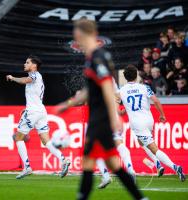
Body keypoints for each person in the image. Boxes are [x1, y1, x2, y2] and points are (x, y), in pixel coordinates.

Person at [56, 19, 146, 200]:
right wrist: (69, 104)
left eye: (75, 31)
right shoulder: (94, 57)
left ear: (81, 33)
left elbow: (107, 86)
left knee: (88, 162)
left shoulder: (97, 57)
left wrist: (114, 117)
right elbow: (91, 89)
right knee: (113, 163)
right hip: (99, 118)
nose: (75, 35)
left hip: (100, 120)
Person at [6, 55, 71, 179]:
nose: (25, 64)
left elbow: (26, 80)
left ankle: (27, 167)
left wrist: (13, 77)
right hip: (40, 111)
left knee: (17, 137)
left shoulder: (35, 75)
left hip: (33, 112)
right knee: (46, 140)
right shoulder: (37, 77)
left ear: (34, 65)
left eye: (27, 62)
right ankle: (63, 160)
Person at [119, 65, 185, 182]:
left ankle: (176, 167)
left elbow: (121, 111)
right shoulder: (144, 87)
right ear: (136, 75)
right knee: (142, 142)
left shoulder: (122, 91)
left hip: (137, 124)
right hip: (149, 121)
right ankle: (158, 165)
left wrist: (120, 111)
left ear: (125, 77)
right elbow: (156, 100)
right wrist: (162, 115)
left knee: (153, 148)